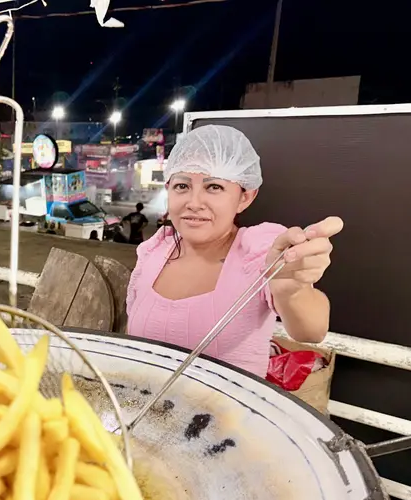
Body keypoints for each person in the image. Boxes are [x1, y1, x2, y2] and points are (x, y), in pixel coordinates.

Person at [126, 125, 343, 377]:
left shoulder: (258, 251)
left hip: (229, 415)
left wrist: (291, 289)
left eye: (214, 187)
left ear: (245, 197)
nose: (194, 203)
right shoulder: (154, 251)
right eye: (182, 186)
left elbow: (311, 331)